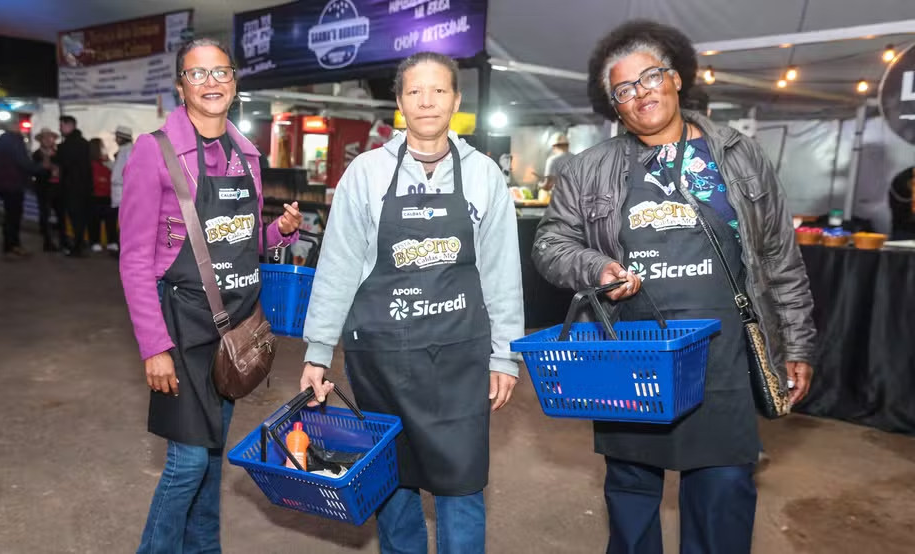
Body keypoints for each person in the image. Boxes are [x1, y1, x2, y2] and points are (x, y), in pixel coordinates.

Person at [532, 21, 817, 554]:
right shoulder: (586, 169)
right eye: (624, 89)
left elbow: (780, 257)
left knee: (724, 492)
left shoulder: (739, 153)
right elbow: (550, 245)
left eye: (651, 76)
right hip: (631, 356)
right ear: (613, 105)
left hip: (723, 355)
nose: (641, 94)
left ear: (677, 78)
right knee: (633, 494)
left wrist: (798, 343)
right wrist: (596, 268)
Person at [300, 52, 524, 553]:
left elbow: (501, 274)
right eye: (415, 91)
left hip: (461, 359)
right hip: (381, 358)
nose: (427, 100)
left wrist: (504, 354)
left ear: (456, 100)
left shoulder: (485, 175)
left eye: (439, 90)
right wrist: (318, 350)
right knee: (393, 483)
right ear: (399, 101)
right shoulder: (366, 173)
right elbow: (336, 266)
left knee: (461, 483)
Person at [119, 37, 302, 554]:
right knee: (188, 462)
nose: (211, 82)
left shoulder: (247, 155)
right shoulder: (152, 152)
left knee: (214, 454)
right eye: (197, 74)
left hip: (236, 325)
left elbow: (238, 241)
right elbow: (133, 259)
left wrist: (280, 232)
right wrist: (154, 346)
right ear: (181, 85)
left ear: (235, 81)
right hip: (180, 328)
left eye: (220, 72)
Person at [0, 119, 47, 259]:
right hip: (12, 184)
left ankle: (10, 246)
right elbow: (23, 162)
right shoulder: (14, 140)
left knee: (10, 215)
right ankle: (12, 247)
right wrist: (41, 167)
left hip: (3, 183)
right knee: (13, 216)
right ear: (15, 126)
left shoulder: (1, 140)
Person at [58, 115, 93, 257]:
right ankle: (80, 242)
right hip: (83, 187)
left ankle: (77, 246)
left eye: (61, 125)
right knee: (81, 218)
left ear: (70, 125)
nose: (60, 128)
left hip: (73, 188)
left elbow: (65, 164)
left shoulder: (69, 145)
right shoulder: (83, 143)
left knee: (76, 218)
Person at [32, 127, 67, 252]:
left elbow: (64, 168)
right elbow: (34, 170)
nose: (48, 139)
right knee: (45, 216)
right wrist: (45, 166)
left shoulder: (59, 153)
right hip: (44, 189)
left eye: (50, 137)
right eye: (45, 137)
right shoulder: (37, 154)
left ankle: (64, 241)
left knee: (61, 215)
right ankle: (48, 242)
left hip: (58, 189)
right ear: (41, 140)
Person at [88, 138, 115, 253]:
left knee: (108, 220)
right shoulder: (91, 164)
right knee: (97, 220)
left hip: (105, 195)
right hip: (97, 195)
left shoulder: (105, 162)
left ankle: (108, 241)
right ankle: (97, 242)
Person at [110, 125, 134, 254]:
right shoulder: (123, 151)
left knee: (126, 225)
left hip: (124, 193)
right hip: (121, 192)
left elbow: (129, 172)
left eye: (116, 137)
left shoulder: (128, 151)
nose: (115, 139)